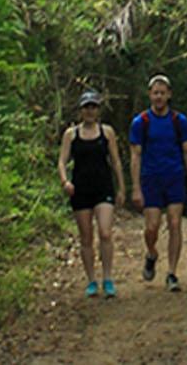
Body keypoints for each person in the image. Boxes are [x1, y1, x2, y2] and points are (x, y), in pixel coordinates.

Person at [129, 73, 187, 292]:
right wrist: (136, 187)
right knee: (152, 227)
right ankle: (151, 253)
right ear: (150, 95)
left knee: (175, 223)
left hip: (175, 177)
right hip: (151, 178)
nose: (159, 97)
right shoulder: (141, 122)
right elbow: (135, 155)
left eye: (162, 93)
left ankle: (172, 272)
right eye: (155, 93)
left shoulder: (179, 121)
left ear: (169, 95)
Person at [57, 91, 127, 298]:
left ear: (98, 110)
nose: (90, 111)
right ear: (81, 110)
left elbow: (115, 161)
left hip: (103, 187)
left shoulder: (107, 133)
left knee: (105, 232)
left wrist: (122, 187)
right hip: (80, 190)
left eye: (93, 107)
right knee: (86, 237)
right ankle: (91, 281)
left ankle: (107, 278)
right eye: (86, 107)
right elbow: (62, 161)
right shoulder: (71, 134)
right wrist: (65, 181)